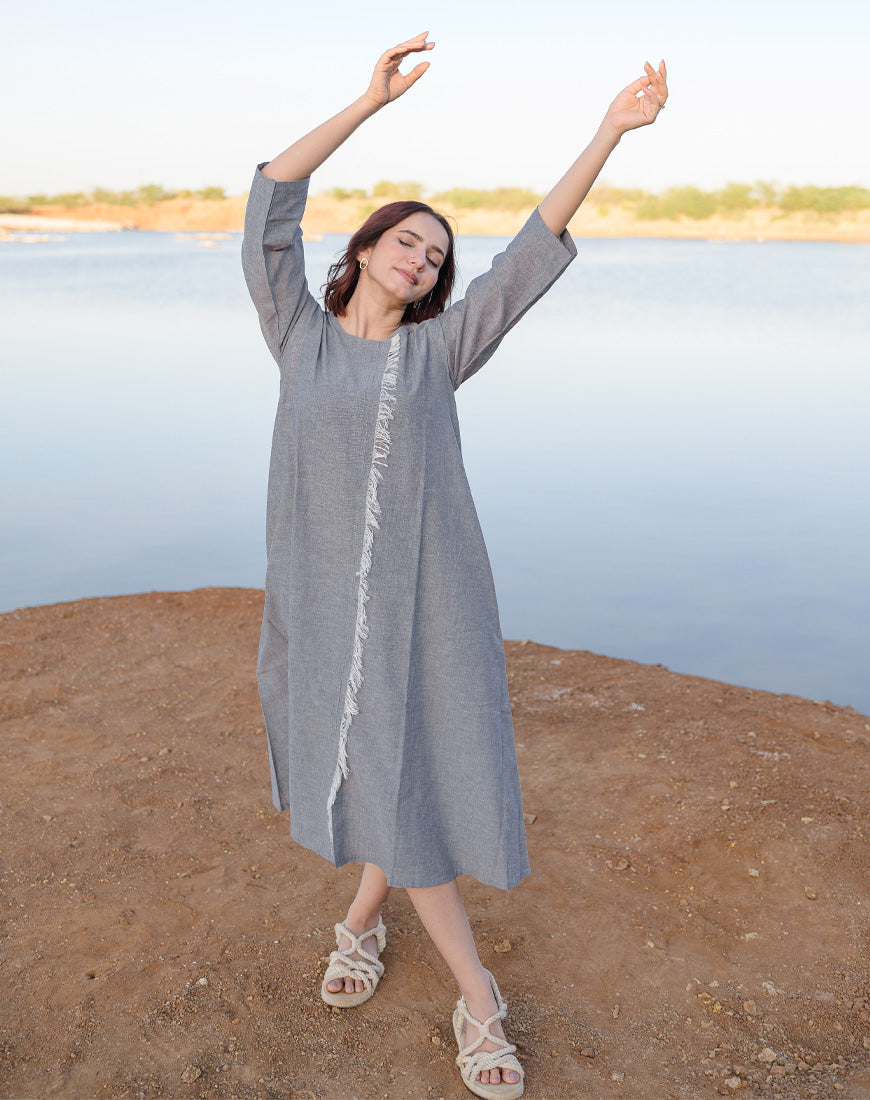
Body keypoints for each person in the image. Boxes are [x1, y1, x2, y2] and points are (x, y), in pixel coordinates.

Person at [242, 32, 667, 1099]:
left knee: (406, 767)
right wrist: (367, 103)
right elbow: (272, 196)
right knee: (391, 769)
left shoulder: (440, 349)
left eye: (437, 255)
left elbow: (535, 245)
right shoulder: (299, 333)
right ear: (368, 245)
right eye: (408, 241)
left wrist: (609, 130)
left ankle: (476, 995)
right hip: (328, 602)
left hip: (431, 604)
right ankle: (364, 925)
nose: (424, 259)